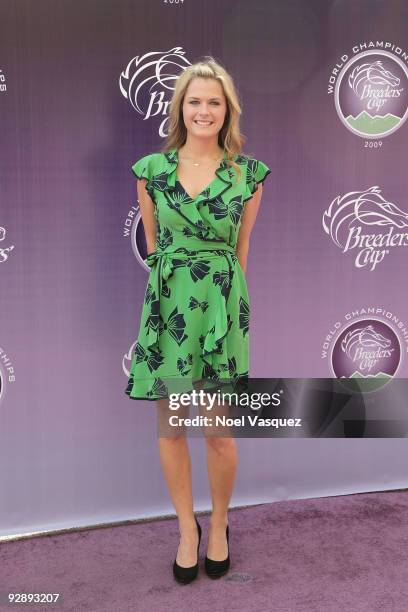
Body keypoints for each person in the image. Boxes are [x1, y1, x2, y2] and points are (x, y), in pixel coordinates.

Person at [125, 56, 270, 583]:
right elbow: (154, 245)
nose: (204, 110)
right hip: (168, 308)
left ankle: (220, 525)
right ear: (179, 109)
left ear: (227, 110)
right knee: (171, 429)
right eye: (194, 101)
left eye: (214, 101)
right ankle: (187, 530)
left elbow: (242, 250)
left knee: (217, 432)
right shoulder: (151, 172)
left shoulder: (247, 176)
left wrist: (228, 311)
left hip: (221, 308)